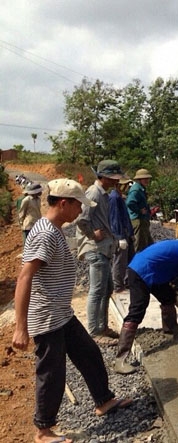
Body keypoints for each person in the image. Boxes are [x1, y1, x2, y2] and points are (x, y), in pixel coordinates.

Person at [12, 178, 132, 443]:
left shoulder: (54, 229)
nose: (81, 211)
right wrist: (21, 328)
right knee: (52, 373)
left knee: (89, 353)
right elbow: (24, 278)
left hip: (61, 314)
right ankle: (43, 430)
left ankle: (104, 400)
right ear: (64, 203)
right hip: (47, 318)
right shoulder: (45, 233)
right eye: (79, 206)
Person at [114, 227, 178, 374]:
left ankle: (171, 334)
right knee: (137, 310)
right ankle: (120, 360)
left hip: (153, 271)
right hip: (142, 272)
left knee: (168, 298)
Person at [76, 160, 126, 342]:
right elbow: (81, 219)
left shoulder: (103, 194)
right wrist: (92, 234)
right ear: (103, 177)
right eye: (113, 178)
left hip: (103, 248)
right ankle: (94, 331)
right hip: (95, 248)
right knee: (97, 290)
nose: (116, 182)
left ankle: (102, 327)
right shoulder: (94, 193)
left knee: (107, 288)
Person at [109, 178, 135, 293]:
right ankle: (118, 285)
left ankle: (127, 282)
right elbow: (115, 219)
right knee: (120, 260)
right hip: (120, 234)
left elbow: (125, 218)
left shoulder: (119, 197)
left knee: (129, 259)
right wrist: (119, 237)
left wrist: (131, 233)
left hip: (126, 233)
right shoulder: (114, 198)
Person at [127, 168, 154, 252]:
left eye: (147, 178)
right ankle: (136, 263)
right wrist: (139, 210)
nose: (147, 180)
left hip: (142, 219)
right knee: (139, 245)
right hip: (138, 220)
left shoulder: (141, 188)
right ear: (139, 179)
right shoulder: (136, 189)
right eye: (144, 178)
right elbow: (129, 202)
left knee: (147, 244)